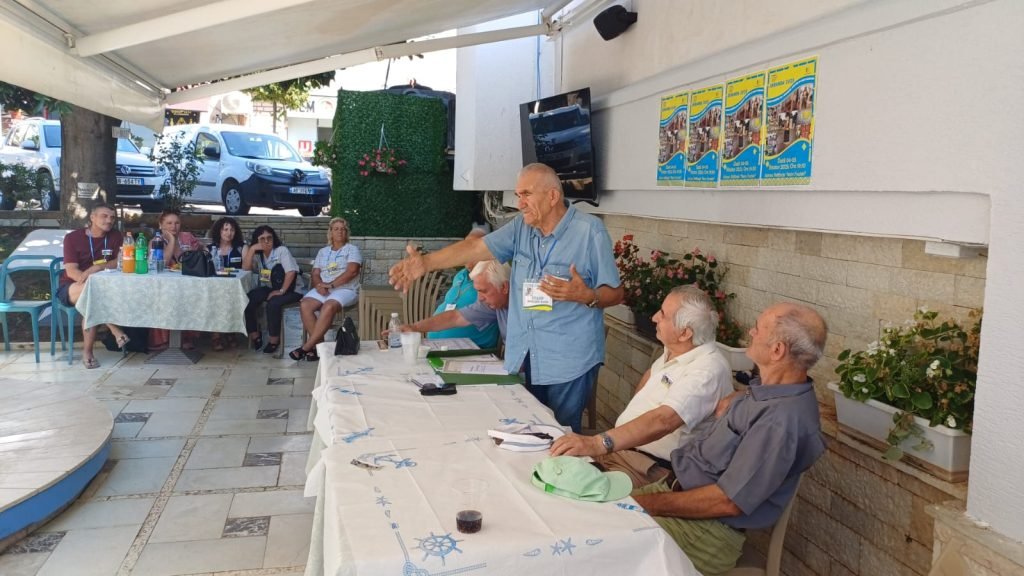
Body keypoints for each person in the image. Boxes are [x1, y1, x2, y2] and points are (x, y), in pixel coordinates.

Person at [390, 163, 623, 432]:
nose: (520, 203)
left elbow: (616, 293)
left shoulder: (589, 231)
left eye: (526, 194)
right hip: (524, 356)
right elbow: (476, 247)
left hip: (568, 360)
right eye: (518, 195)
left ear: (552, 196)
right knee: (526, 433)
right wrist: (427, 263)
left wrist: (586, 295)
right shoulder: (521, 228)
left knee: (561, 436)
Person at [630, 303, 828, 576]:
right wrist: (739, 397)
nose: (750, 332)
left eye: (757, 329)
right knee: (589, 516)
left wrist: (647, 505)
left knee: (599, 548)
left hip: (705, 532)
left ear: (777, 350)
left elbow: (727, 501)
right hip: (678, 498)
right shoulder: (771, 390)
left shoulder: (781, 422)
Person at [549, 285, 733, 488]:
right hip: (623, 453)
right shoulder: (677, 350)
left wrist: (597, 443)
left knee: (568, 488)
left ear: (684, 333)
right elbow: (645, 388)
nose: (654, 318)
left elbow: (663, 420)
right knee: (548, 464)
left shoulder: (707, 370)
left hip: (648, 467)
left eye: (663, 314)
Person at [57, 203, 129, 369]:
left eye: (112, 217)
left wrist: (97, 267)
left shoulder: (116, 236)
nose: (109, 220)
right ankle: (114, 329)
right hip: (73, 287)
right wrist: (89, 282)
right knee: (91, 293)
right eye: (104, 216)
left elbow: (120, 261)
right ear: (92, 217)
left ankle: (88, 352)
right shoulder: (73, 238)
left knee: (91, 303)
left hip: (102, 290)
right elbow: (71, 270)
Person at [386, 260, 510, 343]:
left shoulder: (520, 305)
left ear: (504, 287)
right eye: (477, 291)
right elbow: (455, 317)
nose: (480, 298)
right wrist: (414, 327)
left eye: (484, 291)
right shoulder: (490, 305)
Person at [290, 218, 361, 361]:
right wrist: (319, 285)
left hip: (345, 289)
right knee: (305, 304)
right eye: (336, 229)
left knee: (328, 306)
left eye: (343, 229)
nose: (340, 231)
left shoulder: (352, 249)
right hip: (324, 287)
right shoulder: (323, 251)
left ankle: (307, 347)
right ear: (330, 232)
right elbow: (315, 273)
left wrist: (331, 285)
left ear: (346, 232)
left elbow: (352, 271)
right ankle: (320, 347)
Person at [426, 228, 499, 348]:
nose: (468, 262)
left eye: (473, 253)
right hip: (437, 347)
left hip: (470, 351)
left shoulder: (492, 279)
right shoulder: (461, 275)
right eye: (466, 252)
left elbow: (458, 318)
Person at [148, 208, 204, 350]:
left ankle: (185, 337)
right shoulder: (156, 241)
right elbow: (163, 263)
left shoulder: (187, 237)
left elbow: (198, 254)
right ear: (161, 225)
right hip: (163, 284)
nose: (174, 226)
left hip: (187, 282)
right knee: (165, 298)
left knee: (190, 296)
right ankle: (164, 340)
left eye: (177, 223)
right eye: (169, 223)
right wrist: (172, 240)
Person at [243, 225, 302, 354]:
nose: (266, 241)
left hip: (291, 289)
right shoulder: (258, 255)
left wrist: (281, 291)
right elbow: (246, 269)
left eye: (269, 238)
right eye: (262, 239)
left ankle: (274, 340)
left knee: (273, 303)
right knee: (247, 298)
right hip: (270, 288)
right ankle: (255, 335)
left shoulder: (281, 251)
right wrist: (252, 249)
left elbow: (291, 272)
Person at [208, 217, 245, 351]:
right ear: (219, 231)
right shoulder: (210, 249)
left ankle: (230, 331)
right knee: (215, 298)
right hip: (215, 287)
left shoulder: (241, 248)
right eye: (225, 229)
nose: (229, 233)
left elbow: (247, 269)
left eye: (232, 230)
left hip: (235, 287)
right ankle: (216, 334)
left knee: (227, 297)